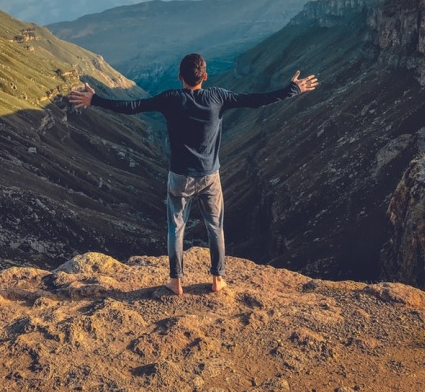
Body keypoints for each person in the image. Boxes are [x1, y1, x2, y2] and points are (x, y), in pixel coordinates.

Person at [68, 53, 318, 295]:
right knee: (215, 227)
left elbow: (133, 106)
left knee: (176, 228)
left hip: (179, 176)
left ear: (180, 77)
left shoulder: (171, 98)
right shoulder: (219, 97)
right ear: (205, 76)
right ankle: (217, 279)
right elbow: (255, 100)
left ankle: (176, 282)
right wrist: (292, 90)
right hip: (210, 176)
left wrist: (95, 100)